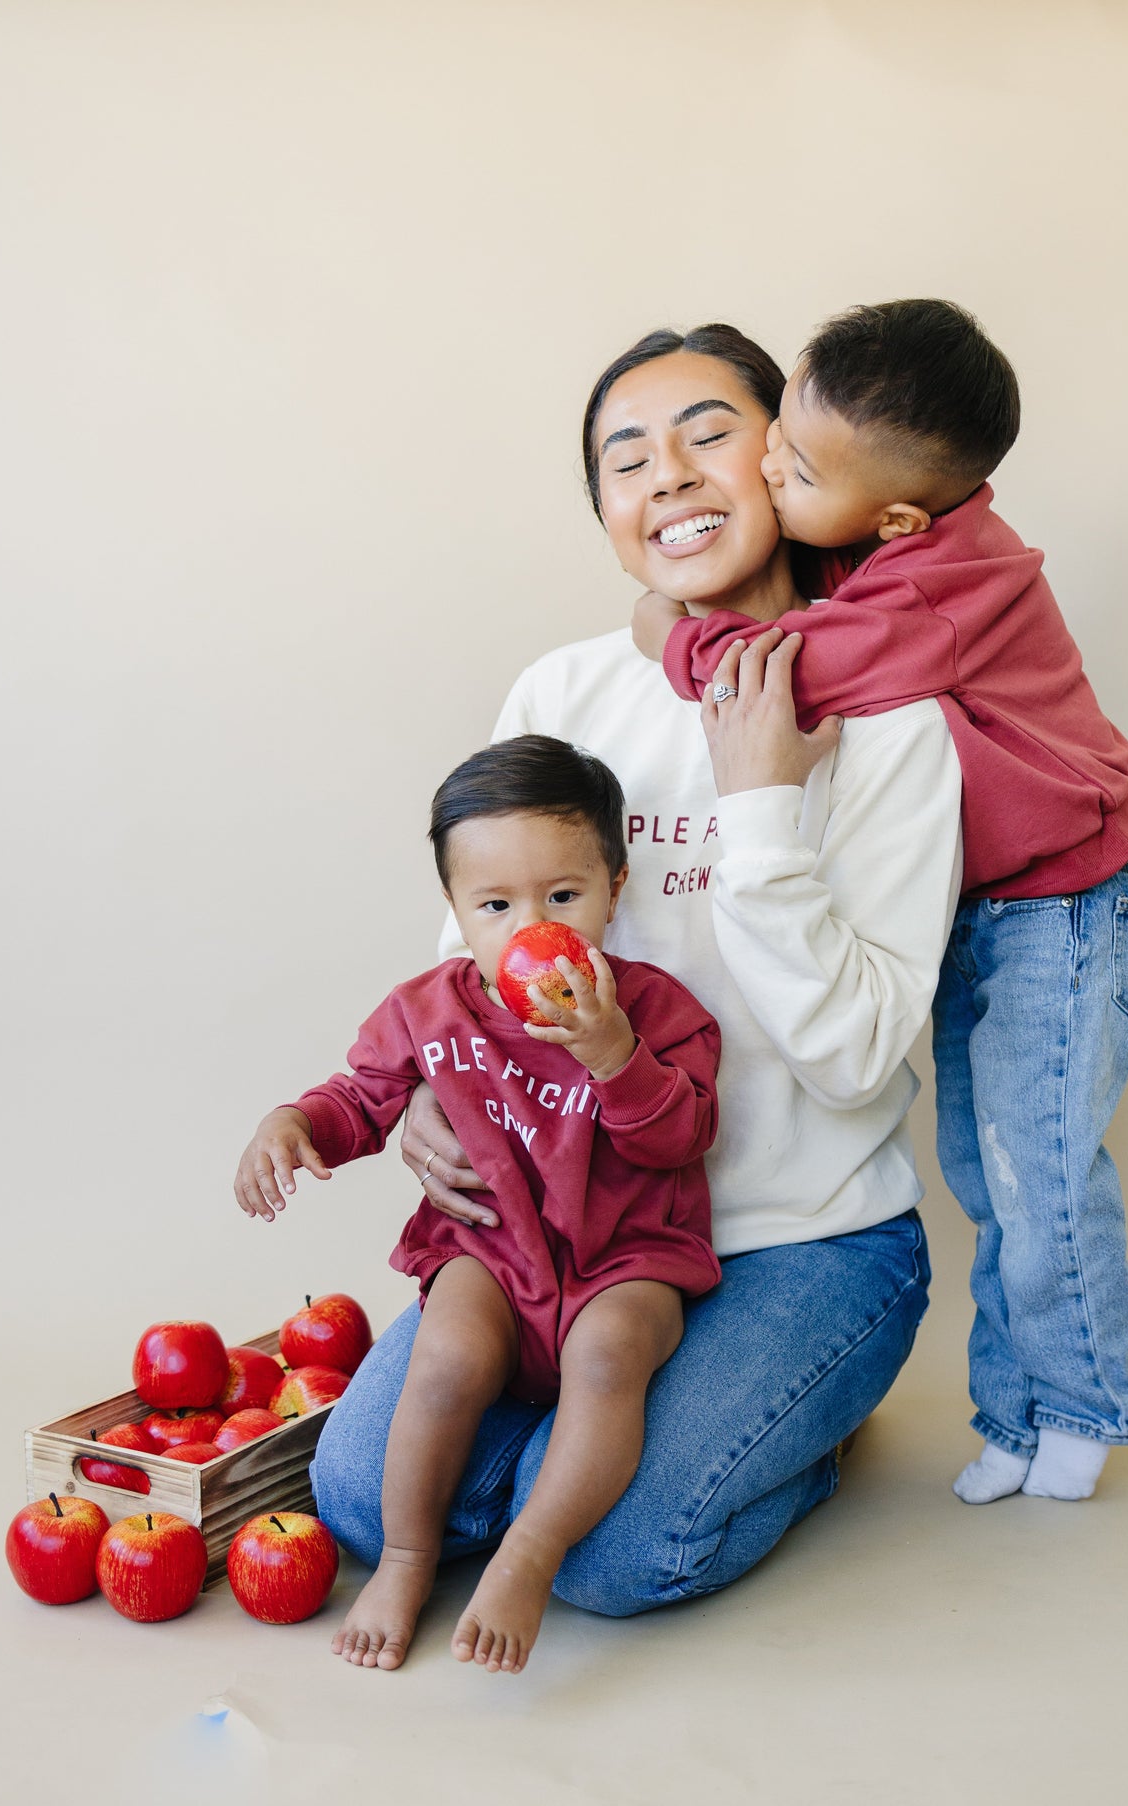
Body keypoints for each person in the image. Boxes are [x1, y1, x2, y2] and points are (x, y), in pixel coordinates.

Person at [309, 322, 962, 1628]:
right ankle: (585, 1448)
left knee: (618, 1562)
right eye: (625, 459)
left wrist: (762, 803)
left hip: (798, 1237)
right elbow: (475, 948)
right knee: (367, 1503)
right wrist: (438, 1092)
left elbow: (850, 1057)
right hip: (560, 1233)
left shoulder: (892, 719)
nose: (666, 474)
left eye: (710, 434)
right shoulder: (566, 688)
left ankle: (807, 1426)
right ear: (606, 513)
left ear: (787, 465)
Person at [638, 299, 1128, 1504]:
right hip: (982, 905)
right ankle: (1018, 1416)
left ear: (894, 518)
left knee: (1039, 1171)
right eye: (779, 433)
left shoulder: (931, 586)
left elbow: (783, 675)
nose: (767, 463)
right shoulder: (867, 534)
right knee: (987, 1176)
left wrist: (662, 628)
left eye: (795, 466)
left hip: (1067, 900)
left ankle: (1085, 1403)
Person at [234, 736, 722, 1673]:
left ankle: (529, 1554)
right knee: (448, 1353)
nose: (529, 923)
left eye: (562, 897)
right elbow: (361, 1098)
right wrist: (294, 1122)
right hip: (491, 1248)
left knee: (611, 1352)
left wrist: (612, 1049)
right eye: (495, 905)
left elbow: (680, 1137)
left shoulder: (659, 1011)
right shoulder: (429, 1009)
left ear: (615, 887)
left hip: (624, 1255)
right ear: (456, 910)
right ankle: (410, 1559)